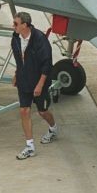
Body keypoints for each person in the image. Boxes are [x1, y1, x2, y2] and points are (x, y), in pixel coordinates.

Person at [11, 11, 56, 159]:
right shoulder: (16, 38)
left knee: (42, 112)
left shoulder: (40, 40)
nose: (13, 26)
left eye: (16, 24)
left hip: (39, 82)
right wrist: (17, 74)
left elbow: (47, 64)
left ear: (25, 25)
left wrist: (40, 85)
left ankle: (53, 128)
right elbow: (19, 59)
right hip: (24, 81)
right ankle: (30, 146)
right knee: (24, 111)